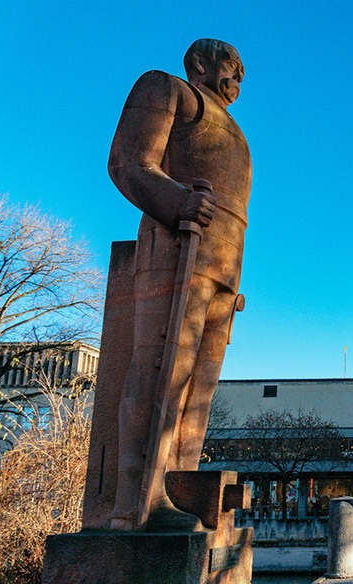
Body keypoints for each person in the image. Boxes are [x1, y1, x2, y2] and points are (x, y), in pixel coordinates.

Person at [105, 38, 252, 531]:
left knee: (199, 390)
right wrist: (174, 201)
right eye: (230, 69)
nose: (236, 81)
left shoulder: (234, 129)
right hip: (176, 250)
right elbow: (128, 162)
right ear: (200, 64)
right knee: (162, 369)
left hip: (222, 269)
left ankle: (178, 487)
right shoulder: (167, 90)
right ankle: (136, 502)